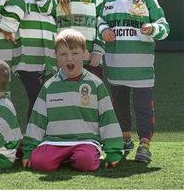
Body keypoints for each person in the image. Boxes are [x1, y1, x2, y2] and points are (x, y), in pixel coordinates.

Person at [99, 0, 169, 163]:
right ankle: (125, 138)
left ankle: (145, 145)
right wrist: (104, 30)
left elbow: (164, 26)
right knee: (119, 107)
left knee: (143, 110)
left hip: (141, 69)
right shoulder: (108, 0)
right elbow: (98, 22)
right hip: (116, 67)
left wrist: (152, 28)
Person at [22, 29, 123, 172]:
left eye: (75, 53)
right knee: (40, 162)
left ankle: (78, 157)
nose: (69, 59)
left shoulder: (96, 84)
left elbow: (108, 118)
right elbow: (37, 120)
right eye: (63, 54)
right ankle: (61, 157)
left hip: (85, 141)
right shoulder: (49, 86)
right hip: (54, 141)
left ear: (85, 54)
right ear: (55, 56)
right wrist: (29, 150)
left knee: (85, 163)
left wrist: (113, 151)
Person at [0, 0, 59, 121]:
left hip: (49, 55)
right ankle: (33, 142)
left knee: (48, 100)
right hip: (25, 55)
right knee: (37, 98)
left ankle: (47, 141)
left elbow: (48, 7)